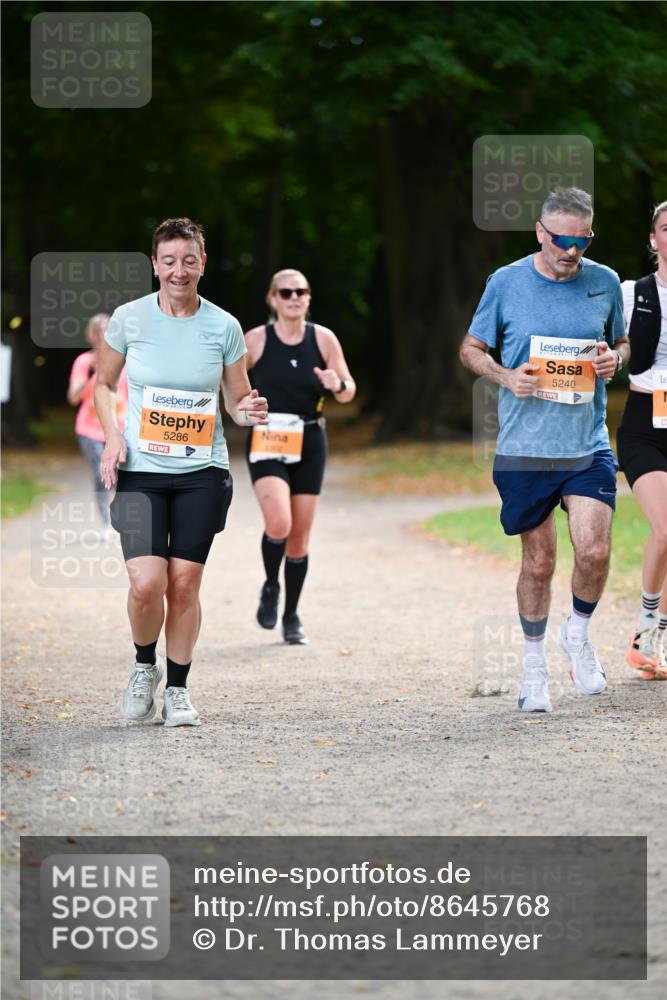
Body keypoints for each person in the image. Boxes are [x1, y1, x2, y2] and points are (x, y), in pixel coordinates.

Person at [460, 187, 629, 713]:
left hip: (587, 444)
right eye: (561, 239)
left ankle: (576, 632)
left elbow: (621, 345)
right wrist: (506, 376)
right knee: (538, 562)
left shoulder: (604, 284)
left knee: (595, 550)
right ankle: (534, 670)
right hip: (524, 449)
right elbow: (471, 350)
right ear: (540, 231)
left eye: (582, 240)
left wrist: (613, 361)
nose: (571, 250)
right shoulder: (506, 283)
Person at [94, 218, 268, 727]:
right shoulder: (128, 319)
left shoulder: (224, 326)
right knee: (147, 583)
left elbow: (236, 401)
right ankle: (143, 666)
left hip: (201, 471)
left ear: (203, 264)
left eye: (189, 260)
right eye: (169, 261)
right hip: (141, 470)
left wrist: (248, 412)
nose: (179, 270)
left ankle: (179, 689)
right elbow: (104, 386)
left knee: (184, 583)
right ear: (154, 264)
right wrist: (113, 434)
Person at [244, 268, 356, 644]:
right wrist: (245, 406)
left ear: (308, 297)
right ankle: (271, 586)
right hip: (270, 438)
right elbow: (232, 386)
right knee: (279, 523)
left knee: (299, 538)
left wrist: (335, 383)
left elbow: (347, 389)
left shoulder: (322, 339)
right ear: (272, 299)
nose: (294, 298)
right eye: (286, 292)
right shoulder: (256, 341)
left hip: (309, 438)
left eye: (301, 292)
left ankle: (291, 615)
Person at [618, 200, 667, 680]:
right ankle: (647, 624)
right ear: (653, 239)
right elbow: (609, 341)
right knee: (666, 527)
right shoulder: (633, 291)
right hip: (643, 422)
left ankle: (661, 637)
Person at [67, 313, 128, 539]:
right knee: (101, 473)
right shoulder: (84, 362)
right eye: (98, 332)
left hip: (119, 428)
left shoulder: (126, 361)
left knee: (123, 474)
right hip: (89, 430)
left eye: (108, 330)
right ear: (91, 336)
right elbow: (73, 397)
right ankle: (106, 523)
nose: (103, 336)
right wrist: (91, 373)